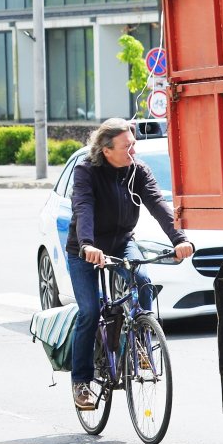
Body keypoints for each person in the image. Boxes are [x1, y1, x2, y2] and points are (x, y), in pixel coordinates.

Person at [65, 119, 193, 411]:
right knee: (90, 311)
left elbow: (159, 205)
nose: (133, 150)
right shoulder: (86, 171)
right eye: (127, 146)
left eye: (134, 144)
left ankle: (142, 344)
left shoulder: (138, 170)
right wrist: (87, 244)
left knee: (144, 280)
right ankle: (81, 382)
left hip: (121, 242)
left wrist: (179, 239)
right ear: (106, 150)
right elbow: (83, 206)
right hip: (85, 249)